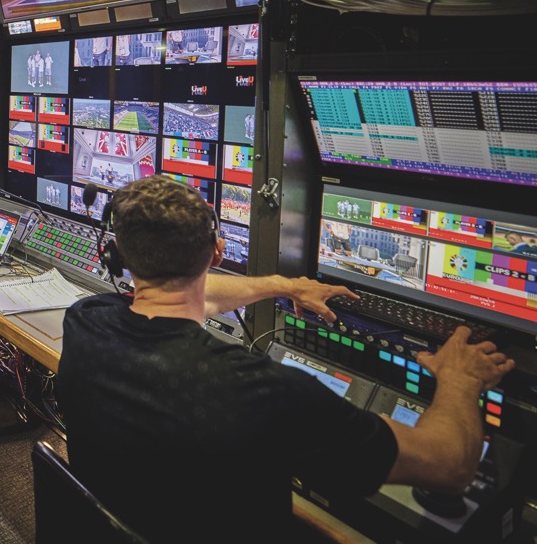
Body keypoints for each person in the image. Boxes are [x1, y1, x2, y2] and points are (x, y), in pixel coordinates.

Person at [57, 176, 512, 541]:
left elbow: (183, 293)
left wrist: (287, 285)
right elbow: (450, 467)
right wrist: (460, 380)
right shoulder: (259, 389)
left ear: (117, 255)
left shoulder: (86, 320)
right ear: (217, 252)